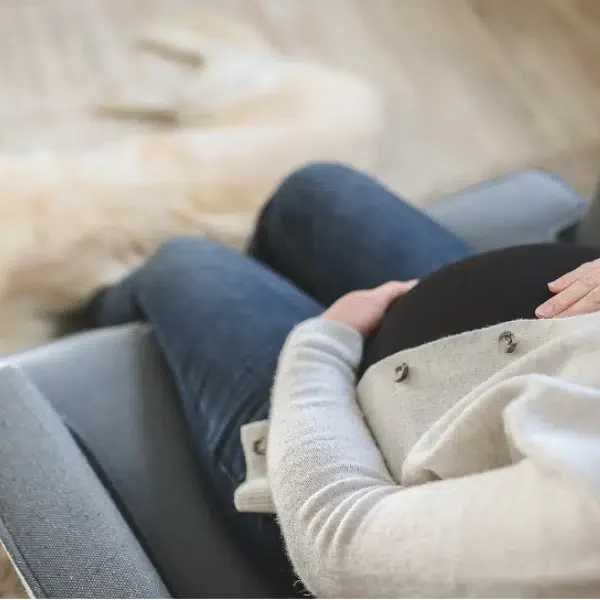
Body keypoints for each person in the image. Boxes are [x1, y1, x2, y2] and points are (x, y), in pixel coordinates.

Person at [85, 163, 600, 600]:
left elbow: (338, 546)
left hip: (342, 465)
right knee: (315, 192)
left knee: (187, 265)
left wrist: (321, 341)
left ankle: (91, 328)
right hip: (496, 329)